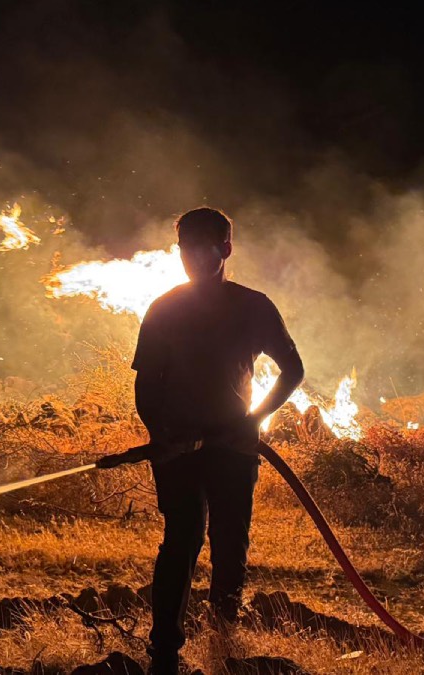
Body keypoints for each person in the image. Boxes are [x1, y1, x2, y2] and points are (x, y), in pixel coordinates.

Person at [131, 207, 304, 674]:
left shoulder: (253, 306)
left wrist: (254, 420)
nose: (190, 256)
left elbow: (294, 371)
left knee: (230, 544)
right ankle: (164, 653)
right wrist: (162, 435)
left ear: (225, 249)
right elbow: (146, 386)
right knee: (181, 540)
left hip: (233, 447)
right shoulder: (164, 308)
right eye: (183, 247)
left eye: (200, 246)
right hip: (177, 449)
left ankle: (224, 644)